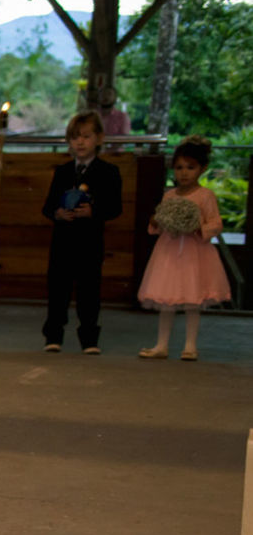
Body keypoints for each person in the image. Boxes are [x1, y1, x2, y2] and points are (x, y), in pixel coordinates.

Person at [136, 136, 231, 361]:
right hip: (169, 253)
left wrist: (198, 228)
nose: (184, 173)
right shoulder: (169, 195)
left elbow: (216, 223)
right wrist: (157, 221)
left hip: (194, 254)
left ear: (202, 168)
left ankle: (190, 346)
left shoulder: (205, 196)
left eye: (190, 167)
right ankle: (161, 345)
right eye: (179, 168)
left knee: (193, 299)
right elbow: (160, 222)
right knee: (166, 301)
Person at [41, 111, 123, 354]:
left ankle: (89, 339)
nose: (80, 142)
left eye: (86, 137)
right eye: (75, 138)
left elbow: (115, 208)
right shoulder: (63, 171)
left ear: (99, 139)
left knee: (89, 290)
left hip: (90, 241)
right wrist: (57, 213)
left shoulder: (108, 172)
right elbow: (47, 206)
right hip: (62, 241)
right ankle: (53, 336)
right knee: (58, 290)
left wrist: (93, 211)